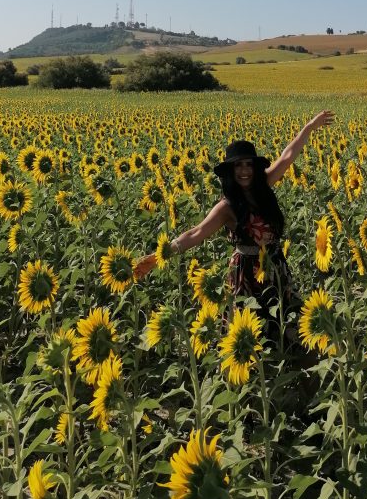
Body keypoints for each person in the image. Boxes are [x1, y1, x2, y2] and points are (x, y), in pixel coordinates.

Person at [134, 111, 335, 340]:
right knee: (253, 334)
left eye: (249, 165)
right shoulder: (226, 207)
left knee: (291, 327)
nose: (244, 171)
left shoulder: (264, 186)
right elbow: (196, 233)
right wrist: (157, 257)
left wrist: (310, 126)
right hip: (247, 275)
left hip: (277, 267)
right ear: (230, 171)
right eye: (238, 166)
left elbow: (287, 156)